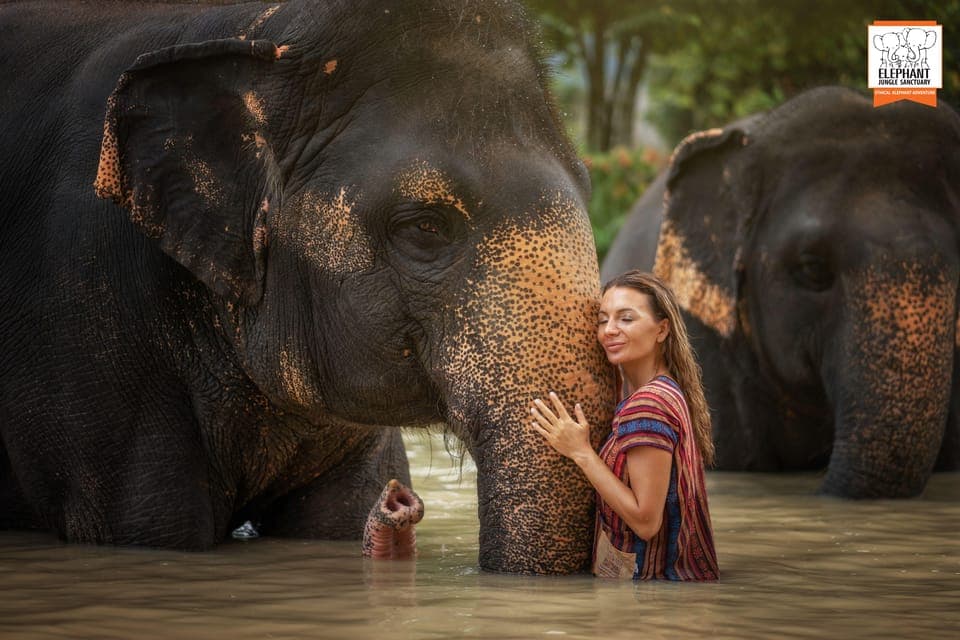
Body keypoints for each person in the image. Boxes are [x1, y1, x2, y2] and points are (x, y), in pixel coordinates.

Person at [531, 270, 719, 580]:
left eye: (626, 319)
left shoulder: (648, 405)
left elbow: (646, 522)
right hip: (670, 591)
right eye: (603, 320)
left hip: (655, 593)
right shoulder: (666, 390)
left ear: (662, 330)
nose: (609, 330)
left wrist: (581, 453)